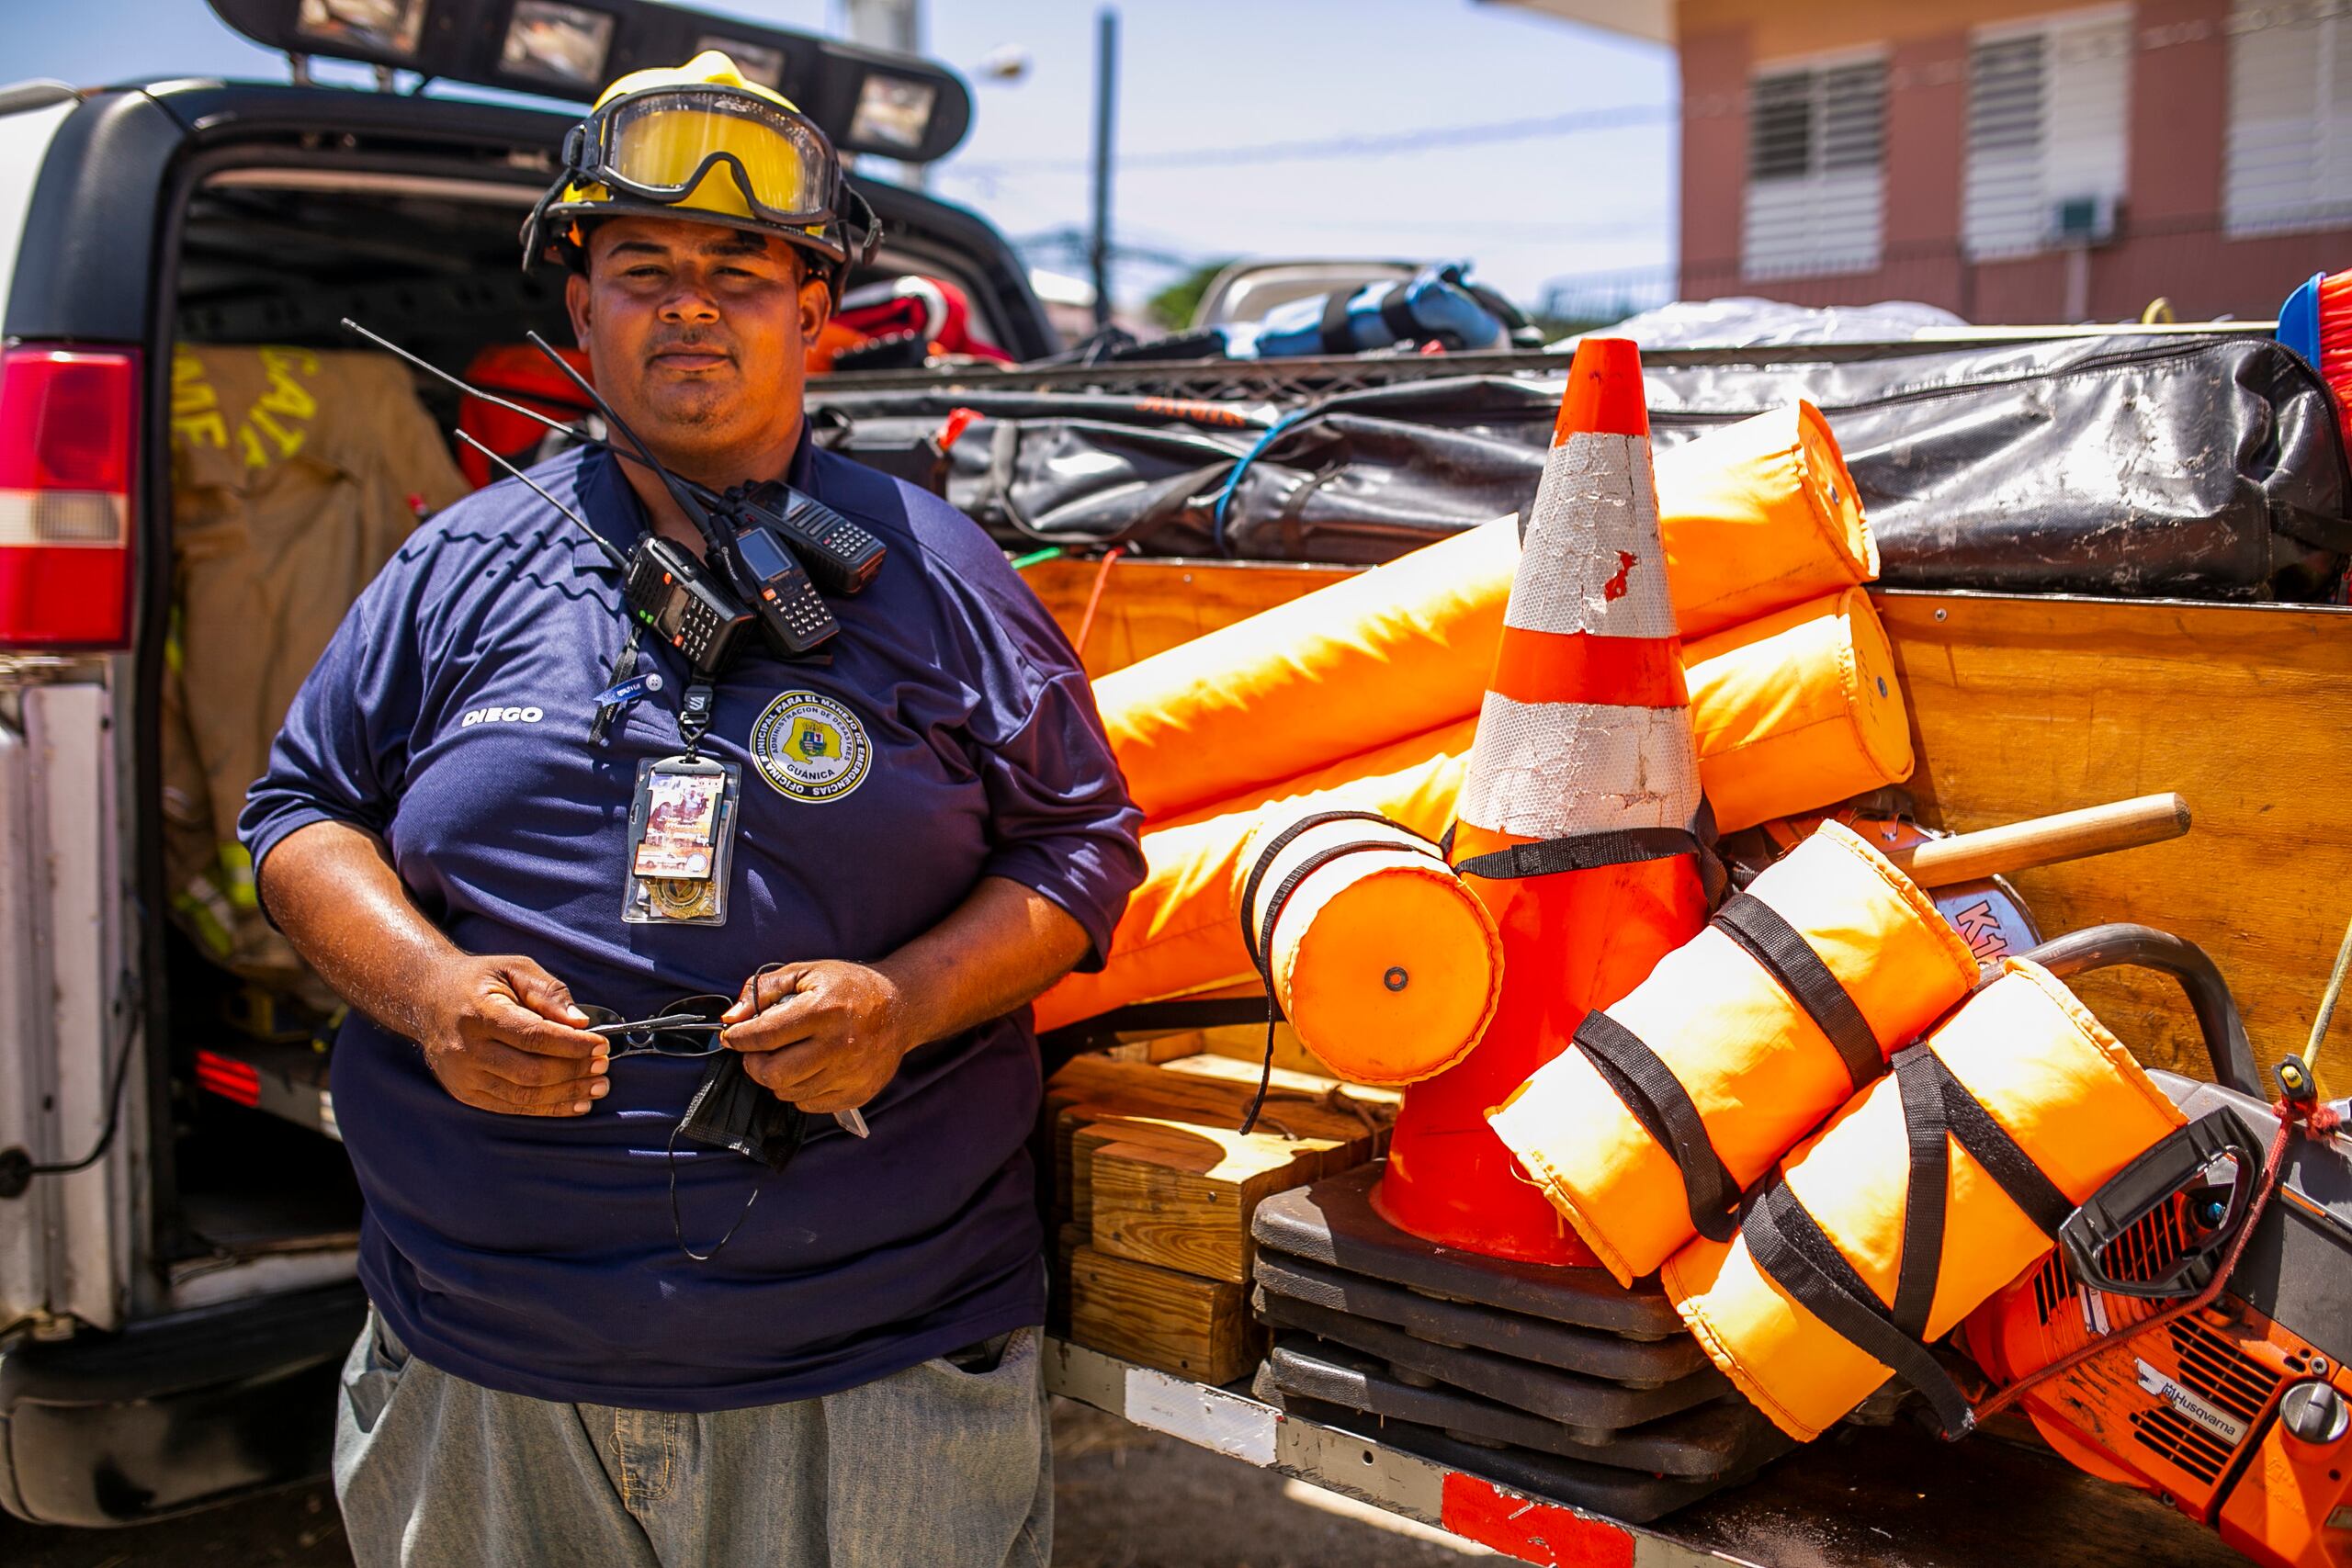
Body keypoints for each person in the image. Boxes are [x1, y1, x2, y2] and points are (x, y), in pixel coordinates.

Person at [241, 52, 1144, 1568]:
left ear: (815, 318)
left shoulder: (942, 573)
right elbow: (301, 813)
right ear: (577, 310)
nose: (689, 303)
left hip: (869, 1367)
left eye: (740, 270)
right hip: (480, 1361)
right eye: (641, 267)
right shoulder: (460, 562)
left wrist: (900, 1001)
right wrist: (431, 989)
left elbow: (1083, 844)